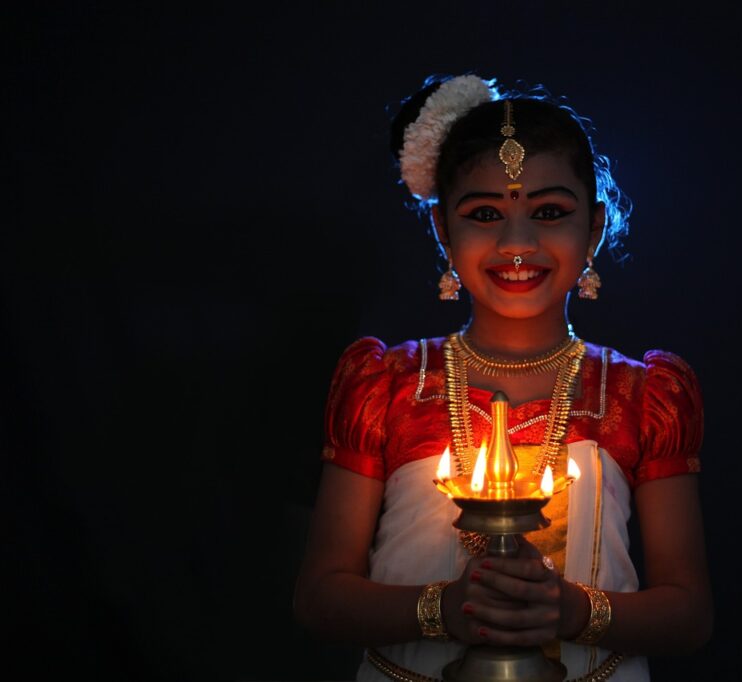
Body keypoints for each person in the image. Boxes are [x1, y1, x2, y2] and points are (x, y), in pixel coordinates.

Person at [293, 74, 713, 681]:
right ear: (441, 229)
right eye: (485, 214)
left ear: (593, 229)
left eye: (549, 212)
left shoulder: (642, 396)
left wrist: (575, 612)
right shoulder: (384, 386)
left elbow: (689, 615)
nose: (517, 244)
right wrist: (441, 610)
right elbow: (319, 599)